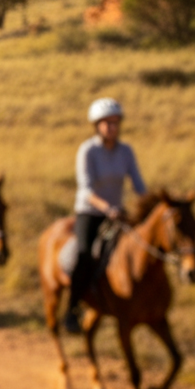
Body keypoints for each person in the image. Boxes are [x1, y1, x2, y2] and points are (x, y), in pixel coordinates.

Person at [63, 98, 147, 335]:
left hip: (118, 214)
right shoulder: (88, 150)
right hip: (90, 212)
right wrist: (107, 208)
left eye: (115, 122)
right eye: (106, 123)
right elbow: (86, 189)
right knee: (84, 253)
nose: (111, 127)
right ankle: (72, 309)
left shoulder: (126, 151)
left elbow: (139, 185)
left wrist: (151, 206)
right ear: (96, 125)